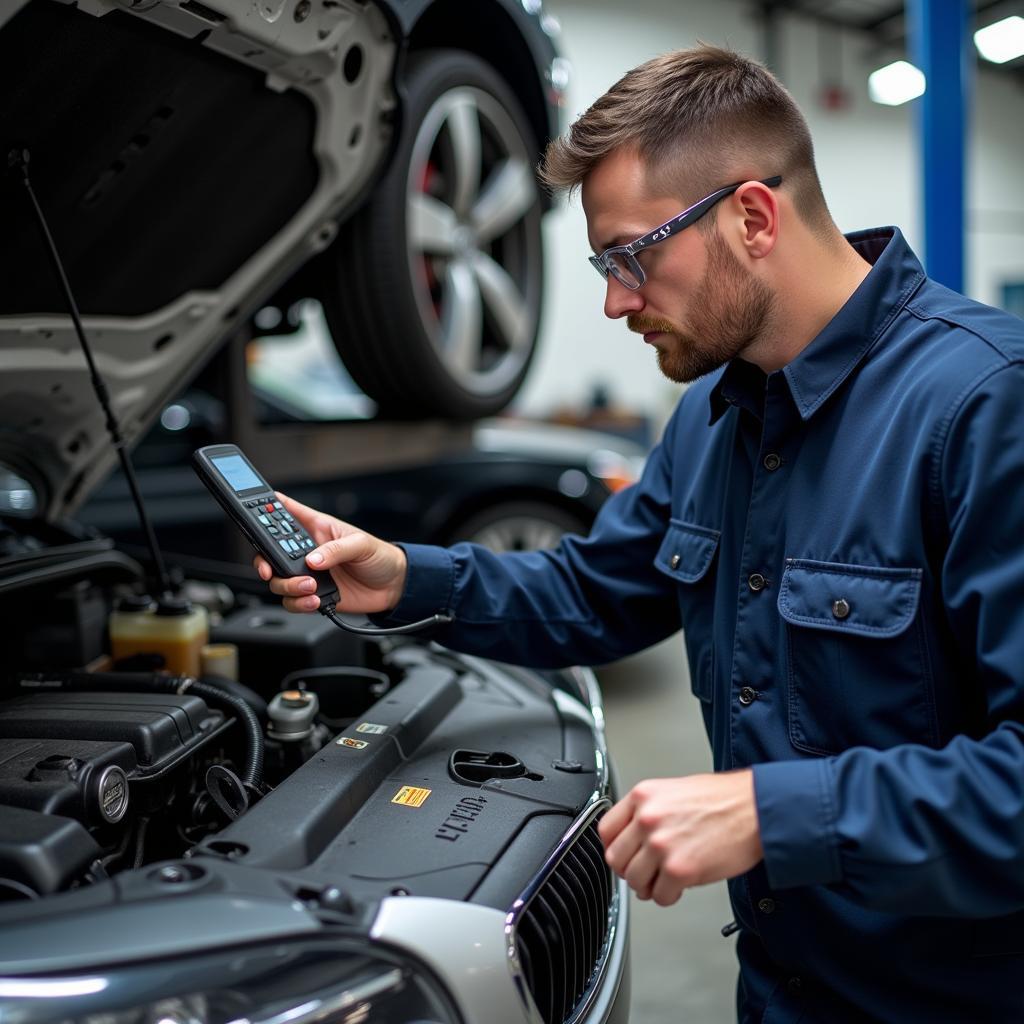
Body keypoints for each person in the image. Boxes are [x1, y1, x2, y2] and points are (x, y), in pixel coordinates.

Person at [255, 45, 1024, 1023]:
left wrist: (771, 809)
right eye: (602, 265)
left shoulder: (985, 405)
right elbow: (591, 592)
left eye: (631, 257)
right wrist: (406, 577)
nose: (616, 301)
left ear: (751, 217)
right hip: (786, 986)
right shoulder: (713, 417)